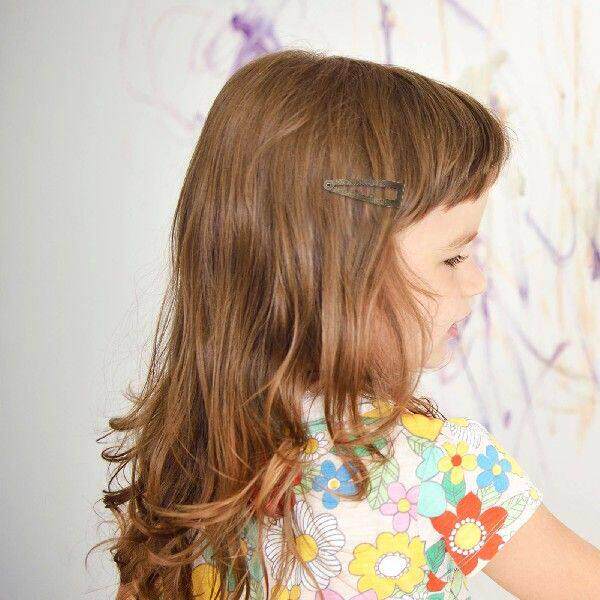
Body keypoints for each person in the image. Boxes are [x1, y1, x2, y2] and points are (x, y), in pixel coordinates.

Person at [98, 49, 600, 599]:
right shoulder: (442, 468)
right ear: (339, 273)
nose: (476, 280)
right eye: (453, 257)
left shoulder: (185, 454)